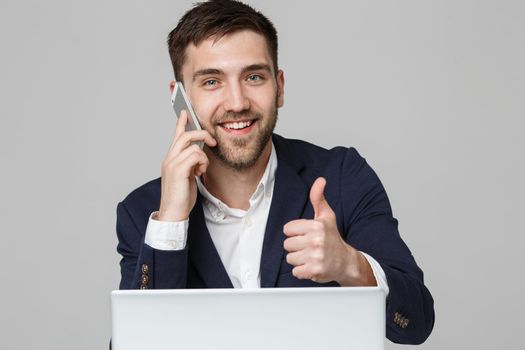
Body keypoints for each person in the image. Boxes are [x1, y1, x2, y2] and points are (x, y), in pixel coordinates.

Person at [116, 0, 434, 344]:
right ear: (180, 99)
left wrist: (350, 266)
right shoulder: (143, 213)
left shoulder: (341, 177)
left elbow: (416, 321)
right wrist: (171, 225)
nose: (237, 102)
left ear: (279, 86)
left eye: (254, 77)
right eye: (211, 82)